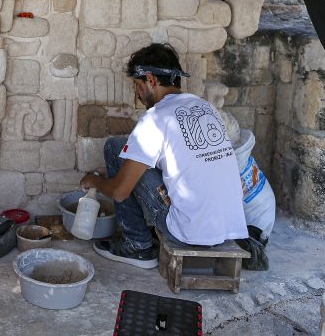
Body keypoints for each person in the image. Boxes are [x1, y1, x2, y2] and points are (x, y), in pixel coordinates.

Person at [79, 43, 247, 269]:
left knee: (115, 147)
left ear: (150, 80)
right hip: (227, 229)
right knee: (129, 157)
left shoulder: (155, 118)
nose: (138, 94)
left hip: (188, 233)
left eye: (138, 85)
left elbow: (120, 192)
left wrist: (94, 181)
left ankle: (136, 246)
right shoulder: (205, 108)